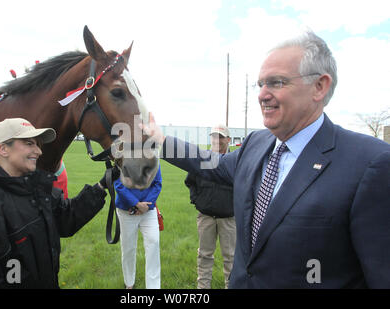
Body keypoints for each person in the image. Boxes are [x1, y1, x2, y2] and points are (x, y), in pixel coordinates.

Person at [141, 30, 390, 288]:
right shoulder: (255, 144)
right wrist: (161, 140)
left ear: (319, 86)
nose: (262, 95)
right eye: (261, 84)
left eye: (277, 82)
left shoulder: (371, 164)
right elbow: (209, 162)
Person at [0, 118, 118, 289]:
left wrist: (102, 186)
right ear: (3, 149)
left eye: (38, 144)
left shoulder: (36, 189)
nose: (39, 151)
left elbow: (65, 219)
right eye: (29, 143)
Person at [184, 124, 235, 289]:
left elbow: (245, 186)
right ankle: (203, 288)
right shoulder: (203, 159)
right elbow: (190, 182)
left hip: (229, 219)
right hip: (206, 217)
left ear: (228, 139)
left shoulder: (234, 161)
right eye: (214, 136)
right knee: (204, 255)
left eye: (220, 136)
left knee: (231, 257)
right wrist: (197, 201)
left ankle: (231, 286)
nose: (216, 140)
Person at [114, 164, 162, 289]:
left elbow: (157, 183)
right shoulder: (122, 156)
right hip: (126, 211)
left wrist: (145, 206)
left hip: (148, 210)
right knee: (128, 248)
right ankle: (129, 283)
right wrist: (136, 203)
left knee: (154, 243)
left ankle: (153, 287)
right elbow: (118, 184)